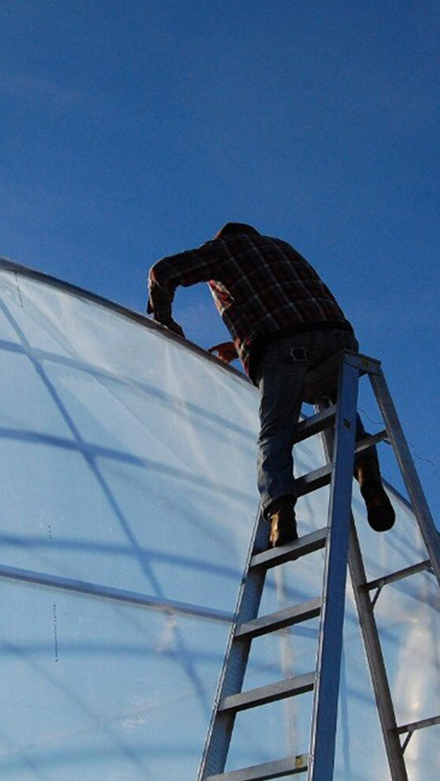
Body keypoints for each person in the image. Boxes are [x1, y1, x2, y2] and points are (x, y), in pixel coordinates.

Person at [147, 222, 395, 547]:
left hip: (284, 347)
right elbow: (287, 305)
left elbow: (162, 272)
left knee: (275, 433)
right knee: (339, 408)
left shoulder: (224, 250)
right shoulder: (281, 247)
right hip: (339, 341)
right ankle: (367, 476)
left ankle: (280, 512)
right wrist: (237, 347)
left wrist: (165, 319)